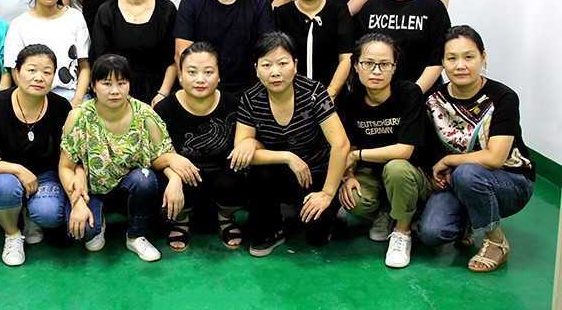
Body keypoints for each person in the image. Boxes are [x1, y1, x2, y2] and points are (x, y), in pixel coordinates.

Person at [417, 25, 535, 273]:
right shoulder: (433, 100)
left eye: (469, 57)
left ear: (483, 58)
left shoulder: (503, 98)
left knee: (467, 173)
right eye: (452, 58)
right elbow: (429, 149)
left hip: (511, 181)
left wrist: (448, 162)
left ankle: (496, 241)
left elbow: (495, 158)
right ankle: (472, 217)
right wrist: (436, 172)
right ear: (443, 63)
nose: (460, 65)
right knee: (431, 233)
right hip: (459, 181)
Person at [59, 54, 191, 262]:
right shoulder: (79, 116)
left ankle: (135, 236)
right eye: (107, 83)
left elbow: (164, 155)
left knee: (145, 178)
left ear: (129, 84)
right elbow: (66, 167)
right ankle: (99, 220)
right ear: (93, 86)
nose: (115, 90)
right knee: (83, 232)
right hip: (91, 190)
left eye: (121, 83)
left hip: (127, 190)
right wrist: (77, 202)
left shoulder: (145, 114)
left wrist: (175, 179)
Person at [230, 32, 350, 257]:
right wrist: (288, 157)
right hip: (281, 173)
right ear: (256, 69)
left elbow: (341, 145)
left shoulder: (314, 93)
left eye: (283, 63)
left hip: (317, 173)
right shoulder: (251, 99)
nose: (275, 72)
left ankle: (331, 211)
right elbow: (242, 152)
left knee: (317, 238)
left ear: (295, 65)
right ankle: (274, 228)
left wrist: (327, 193)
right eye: (266, 65)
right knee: (259, 175)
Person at [0, 44, 73, 266]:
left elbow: (71, 153)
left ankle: (30, 215)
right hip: (0, 175)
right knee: (5, 187)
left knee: (50, 215)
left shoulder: (61, 107)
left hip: (45, 174)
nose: (39, 77)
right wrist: (17, 169)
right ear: (17, 73)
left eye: (46, 72)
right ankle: (12, 233)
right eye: (31, 70)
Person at [338, 33, 431, 269]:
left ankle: (402, 232)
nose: (376, 71)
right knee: (353, 199)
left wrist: (356, 156)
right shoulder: (351, 99)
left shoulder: (409, 93)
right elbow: (351, 145)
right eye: (368, 63)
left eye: (384, 64)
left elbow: (404, 151)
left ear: (394, 67)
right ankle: (386, 211)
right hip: (372, 173)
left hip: (410, 174)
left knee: (396, 168)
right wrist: (349, 175)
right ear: (356, 65)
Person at [154, 42, 249, 251]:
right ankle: (180, 220)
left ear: (219, 76)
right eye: (192, 72)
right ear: (180, 76)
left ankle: (225, 218)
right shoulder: (164, 109)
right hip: (185, 179)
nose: (200, 79)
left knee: (239, 178)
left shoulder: (235, 105)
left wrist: (250, 143)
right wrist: (173, 169)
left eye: (208, 72)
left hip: (222, 179)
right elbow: (154, 158)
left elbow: (251, 140)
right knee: (165, 178)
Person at [90, 0, 177, 106]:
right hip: (118, 94)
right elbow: (100, 60)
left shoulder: (167, 10)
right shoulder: (107, 11)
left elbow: (173, 59)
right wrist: (121, 95)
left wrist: (163, 94)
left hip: (159, 95)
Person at [4, 0, 90, 107]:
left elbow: (84, 66)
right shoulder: (19, 24)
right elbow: (16, 72)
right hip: (34, 97)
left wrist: (76, 101)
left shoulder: (75, 18)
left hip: (72, 95)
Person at [274, 0, 353, 103]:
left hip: (333, 98)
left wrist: (329, 95)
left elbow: (346, 58)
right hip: (290, 99)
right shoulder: (281, 14)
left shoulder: (339, 12)